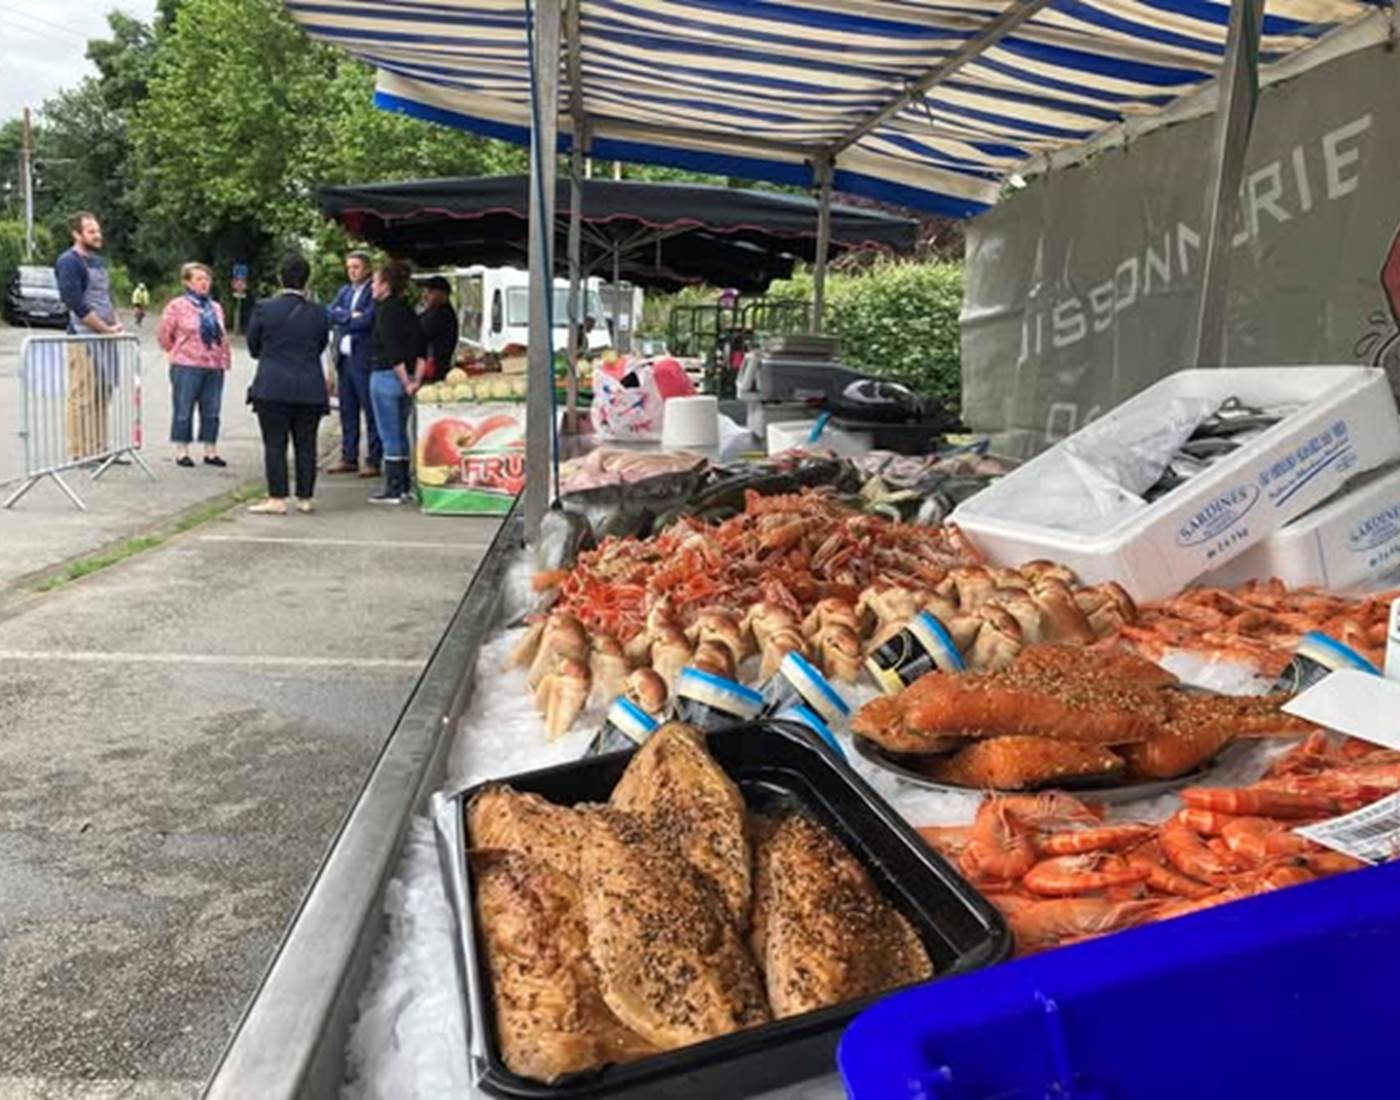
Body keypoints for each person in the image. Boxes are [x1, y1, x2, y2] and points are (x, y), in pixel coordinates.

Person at [245, 253, 331, 515]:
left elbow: (253, 345)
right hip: (310, 387)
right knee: (307, 443)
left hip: (272, 385)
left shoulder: (264, 308)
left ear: (280, 278)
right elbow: (320, 345)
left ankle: (277, 498)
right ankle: (305, 497)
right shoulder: (320, 312)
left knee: (275, 443)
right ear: (307, 280)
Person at [54, 211, 122, 461]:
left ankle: (99, 449)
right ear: (76, 234)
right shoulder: (69, 262)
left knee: (101, 395)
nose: (97, 235)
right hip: (83, 339)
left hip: (105, 338)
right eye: (91, 231)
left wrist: (115, 324)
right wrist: (104, 329)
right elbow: (76, 304)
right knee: (82, 396)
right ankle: (80, 452)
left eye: (98, 230)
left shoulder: (97, 262)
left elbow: (105, 298)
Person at [157, 263, 231, 468]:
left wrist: (223, 358)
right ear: (187, 282)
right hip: (186, 363)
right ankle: (182, 450)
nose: (204, 283)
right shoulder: (177, 306)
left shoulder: (215, 307)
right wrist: (176, 351)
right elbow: (164, 334)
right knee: (184, 408)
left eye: (206, 279)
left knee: (212, 409)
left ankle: (210, 450)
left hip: (213, 364)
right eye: (198, 279)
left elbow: (222, 335)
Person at [368, 260, 426, 505]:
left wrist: (404, 380)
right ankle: (403, 484)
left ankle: (393, 487)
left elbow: (393, 353)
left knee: (388, 433)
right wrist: (416, 380)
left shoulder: (384, 311)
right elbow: (423, 347)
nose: (372, 286)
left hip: (386, 376)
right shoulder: (407, 309)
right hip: (411, 376)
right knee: (401, 432)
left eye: (375, 281)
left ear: (385, 285)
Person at [326, 250, 380, 478]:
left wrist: (344, 319)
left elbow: (368, 320)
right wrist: (350, 316)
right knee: (347, 410)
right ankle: (349, 457)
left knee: (370, 411)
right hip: (345, 360)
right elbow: (329, 312)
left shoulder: (372, 291)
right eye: (349, 267)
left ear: (367, 268)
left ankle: (374, 459)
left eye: (356, 267)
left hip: (364, 359)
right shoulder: (345, 291)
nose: (352, 271)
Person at [418, 275, 458, 381]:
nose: (425, 296)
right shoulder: (432, 312)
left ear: (443, 294)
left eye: (430, 292)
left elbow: (418, 334)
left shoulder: (442, 315)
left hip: (434, 371)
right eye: (424, 291)